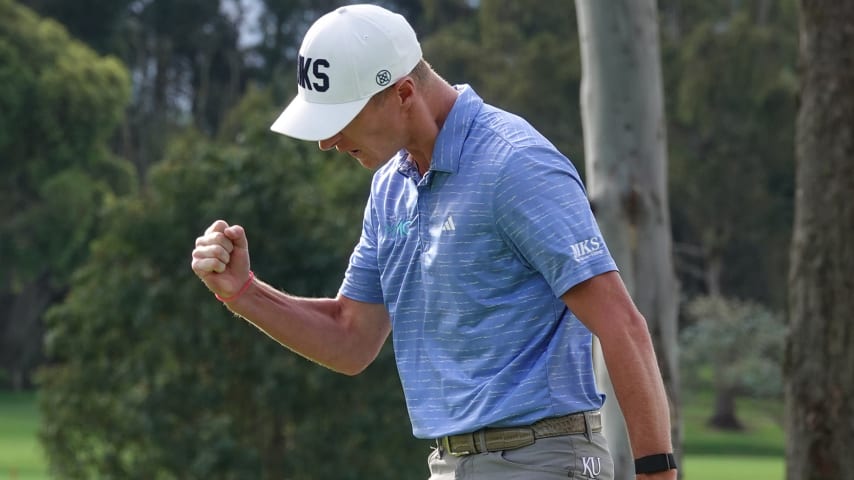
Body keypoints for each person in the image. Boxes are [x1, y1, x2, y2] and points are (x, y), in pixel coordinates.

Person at [191, 4, 676, 479]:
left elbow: (621, 324)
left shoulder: (515, 164)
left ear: (403, 93)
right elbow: (350, 337)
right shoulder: (390, 188)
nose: (328, 141)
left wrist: (656, 472)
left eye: (343, 118)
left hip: (542, 459)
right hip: (450, 464)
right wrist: (243, 292)